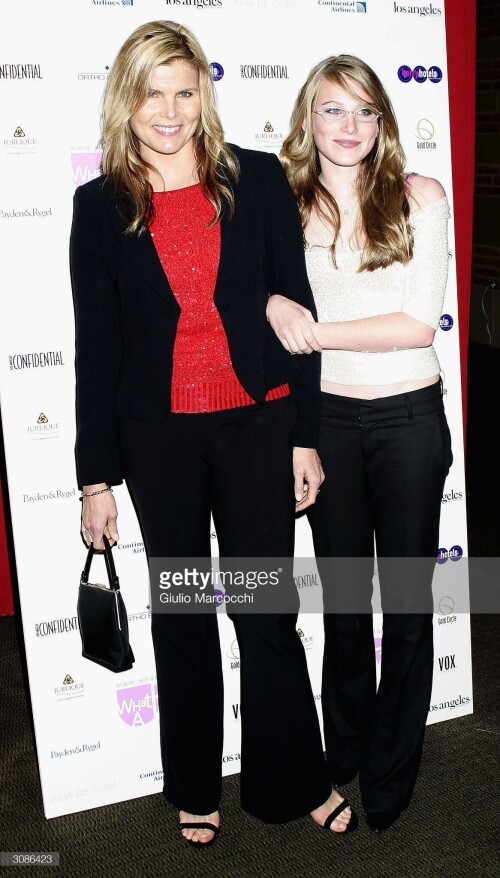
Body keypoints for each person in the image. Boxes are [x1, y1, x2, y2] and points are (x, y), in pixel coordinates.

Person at [71, 21, 358, 845]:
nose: (171, 111)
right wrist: (97, 480)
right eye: (154, 94)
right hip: (155, 438)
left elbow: (293, 311)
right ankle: (195, 783)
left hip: (255, 426)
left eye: (186, 92)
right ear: (127, 102)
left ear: (205, 94)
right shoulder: (100, 206)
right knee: (186, 616)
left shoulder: (257, 179)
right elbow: (98, 347)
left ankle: (292, 777)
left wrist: (304, 435)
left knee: (265, 612)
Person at [266, 54, 453, 833]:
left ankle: (390, 768)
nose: (350, 127)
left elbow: (416, 324)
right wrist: (269, 300)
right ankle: (343, 749)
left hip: (410, 421)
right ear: (308, 117)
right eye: (334, 110)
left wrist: (305, 325)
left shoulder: (419, 197)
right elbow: (243, 295)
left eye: (366, 112)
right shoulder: (278, 204)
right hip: (326, 428)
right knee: (344, 604)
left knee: (406, 608)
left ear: (384, 122)